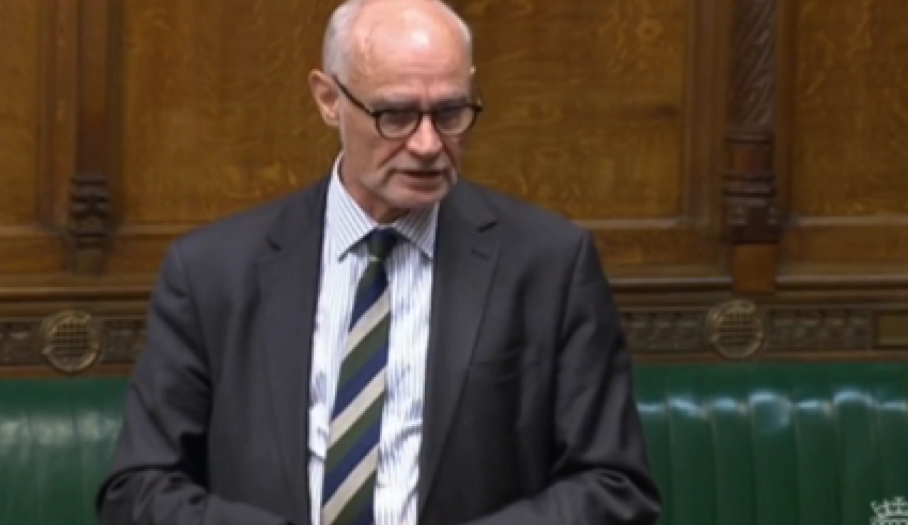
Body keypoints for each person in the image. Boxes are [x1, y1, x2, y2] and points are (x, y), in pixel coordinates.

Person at [95, 0, 662, 524]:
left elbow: (614, 485)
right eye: (395, 115)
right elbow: (139, 488)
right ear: (328, 99)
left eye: (450, 112)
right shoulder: (213, 272)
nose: (427, 145)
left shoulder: (549, 265)